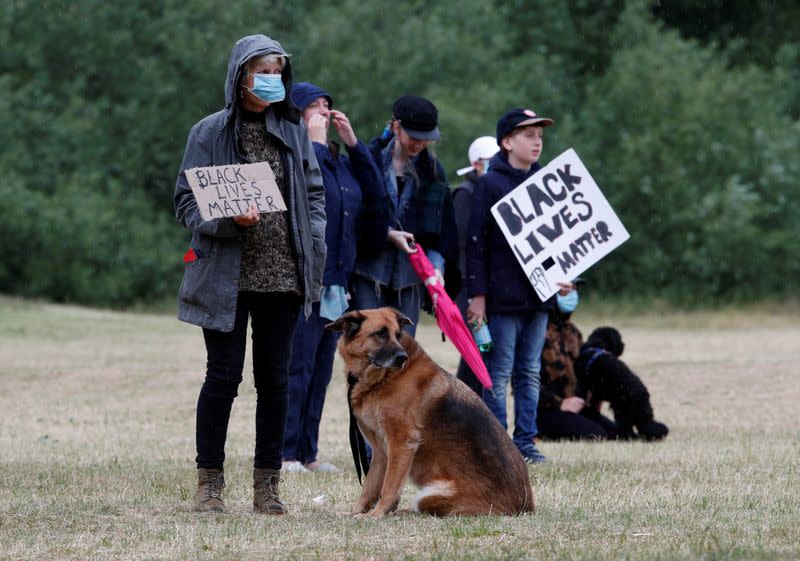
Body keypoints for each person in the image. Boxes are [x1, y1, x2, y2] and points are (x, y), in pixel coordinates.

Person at [174, 35, 326, 515]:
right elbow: (185, 201)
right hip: (226, 276)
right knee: (221, 377)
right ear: (241, 75)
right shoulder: (208, 132)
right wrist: (226, 220)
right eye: (264, 71)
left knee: (276, 380)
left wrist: (315, 242)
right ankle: (210, 485)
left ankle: (268, 487)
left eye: (279, 72)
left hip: (283, 276)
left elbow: (315, 193)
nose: (273, 80)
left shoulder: (294, 129)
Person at [281, 82, 386, 474]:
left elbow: (375, 200)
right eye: (315, 107)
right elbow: (309, 192)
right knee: (298, 366)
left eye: (328, 105)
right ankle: (285, 452)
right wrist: (316, 143)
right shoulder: (297, 156)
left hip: (337, 284)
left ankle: (308, 452)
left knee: (323, 370)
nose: (325, 112)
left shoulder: (340, 161)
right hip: (305, 279)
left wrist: (354, 146)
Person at [466, 108, 573, 464]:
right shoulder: (489, 184)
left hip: (538, 297)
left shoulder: (547, 182)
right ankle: (499, 443)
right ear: (507, 142)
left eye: (539, 135)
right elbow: (476, 244)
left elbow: (561, 239)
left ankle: (525, 441)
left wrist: (565, 276)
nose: (537, 141)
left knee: (529, 372)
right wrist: (478, 296)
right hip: (501, 298)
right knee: (497, 374)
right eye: (528, 135)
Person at [350, 95, 458, 337]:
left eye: (425, 139)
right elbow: (354, 215)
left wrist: (437, 267)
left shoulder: (433, 172)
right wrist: (386, 234)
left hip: (411, 276)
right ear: (396, 126)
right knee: (369, 345)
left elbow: (442, 228)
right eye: (414, 137)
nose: (419, 144)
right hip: (370, 271)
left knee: (404, 350)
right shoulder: (370, 161)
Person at [537, 281, 619, 440]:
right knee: (597, 435)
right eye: (567, 289)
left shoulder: (574, 332)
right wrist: (560, 403)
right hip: (547, 411)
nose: (572, 294)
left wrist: (595, 396)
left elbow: (586, 371)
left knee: (616, 433)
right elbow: (524, 382)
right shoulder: (537, 332)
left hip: (578, 408)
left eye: (574, 289)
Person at [453, 136, 500, 395]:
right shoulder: (465, 194)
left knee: (485, 356)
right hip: (468, 288)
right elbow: (464, 246)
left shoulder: (493, 193)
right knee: (476, 353)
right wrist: (473, 293)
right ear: (476, 164)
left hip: (488, 287)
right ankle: (463, 408)